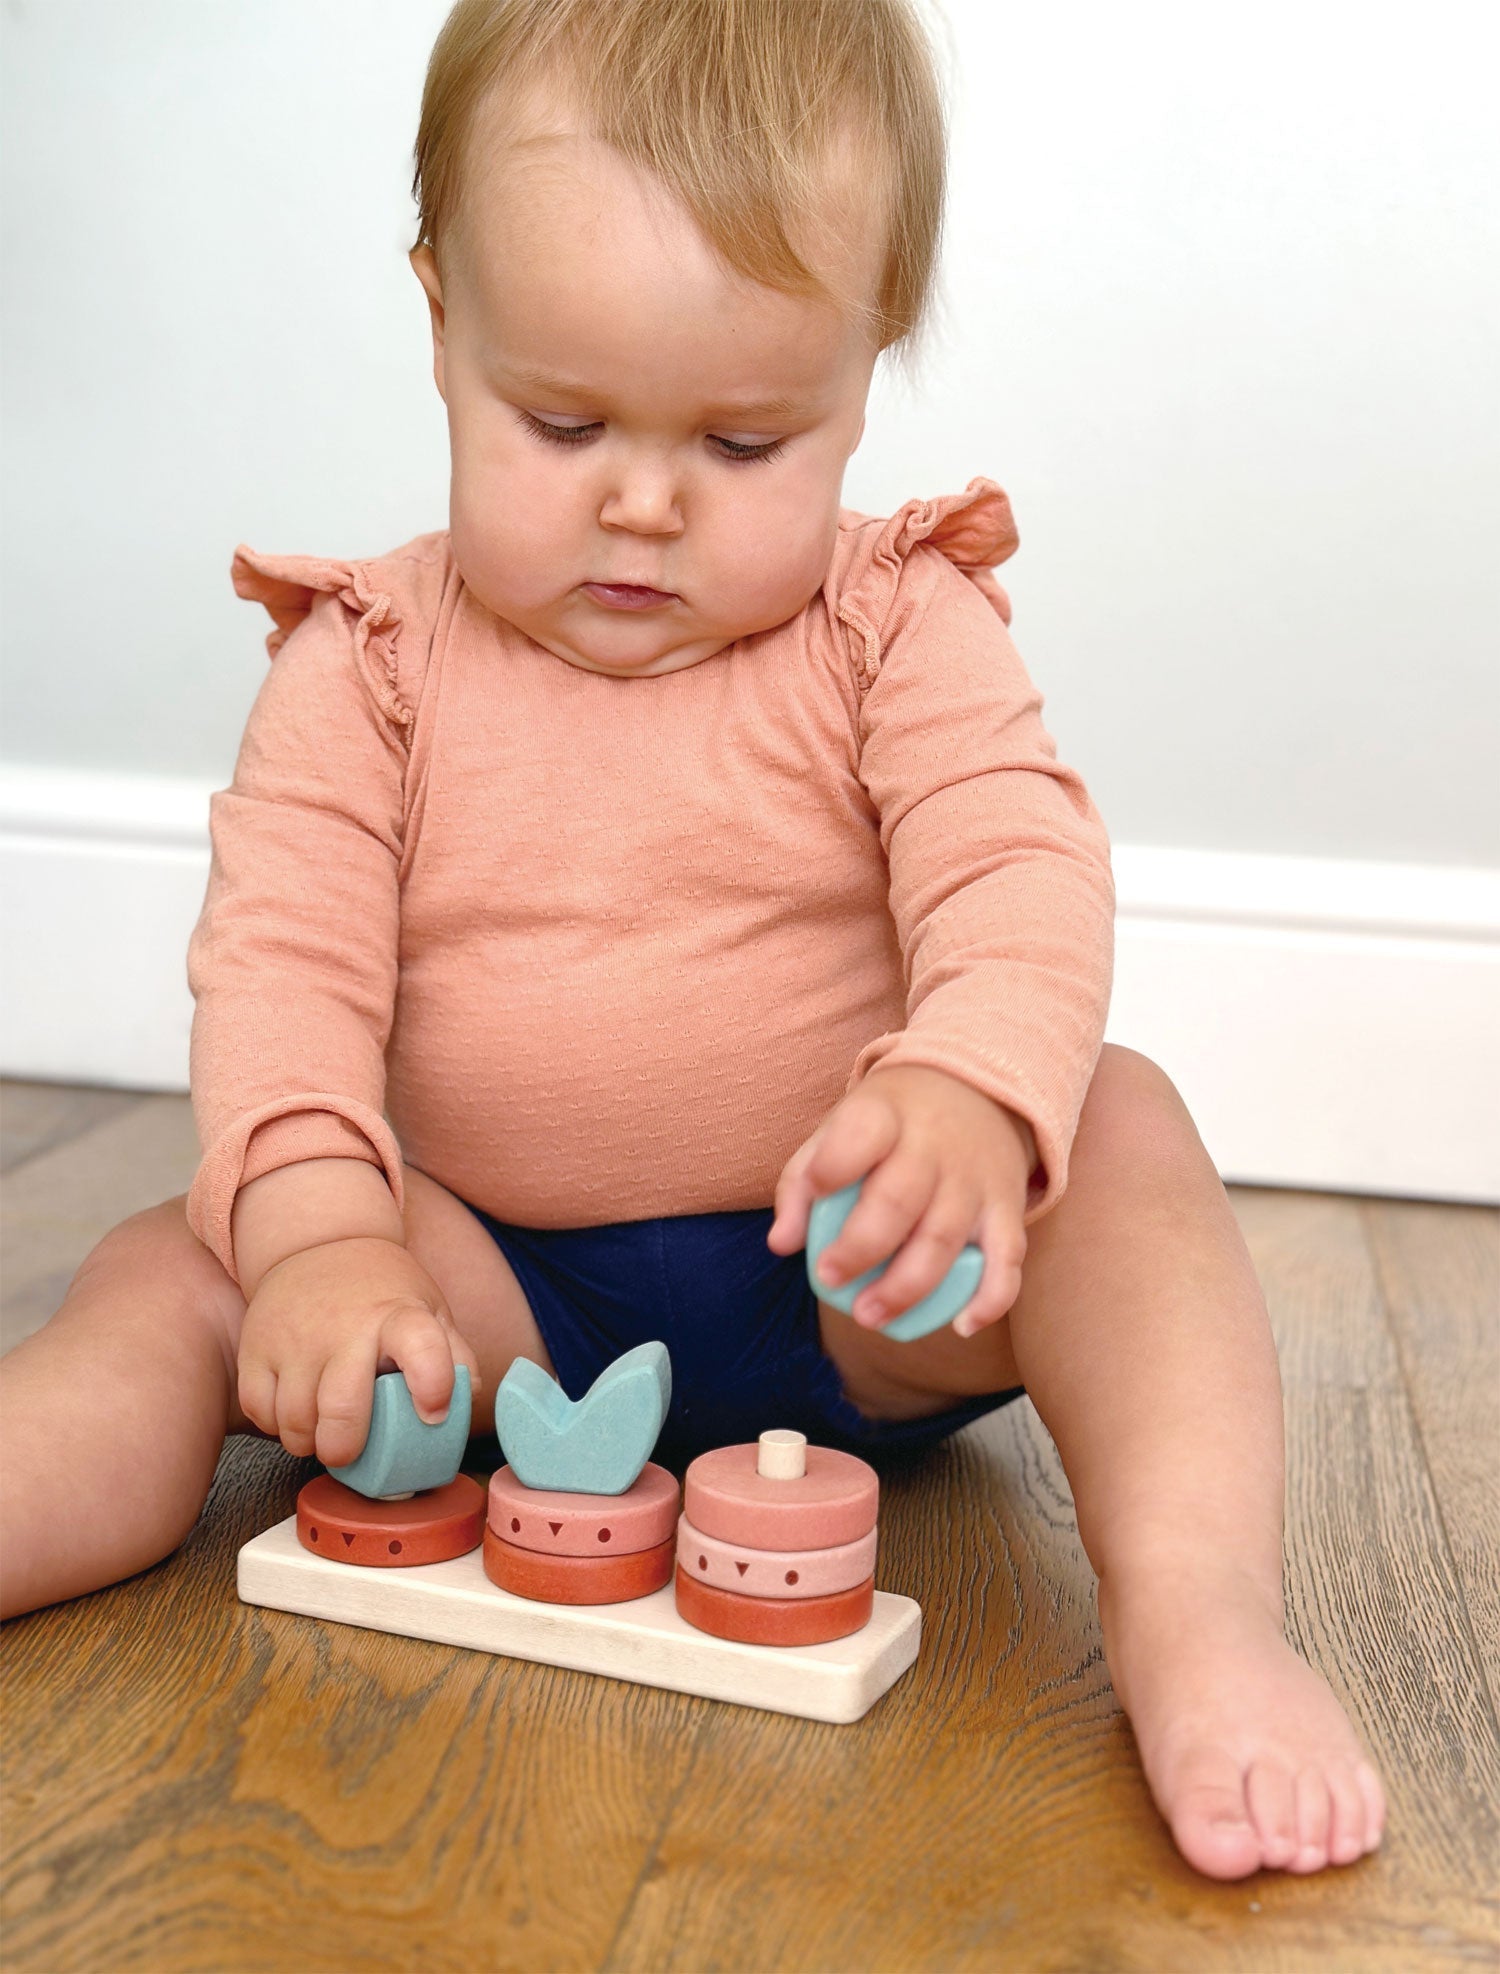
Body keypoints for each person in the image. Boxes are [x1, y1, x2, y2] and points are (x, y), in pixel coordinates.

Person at [0, 0, 1384, 1879]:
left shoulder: (893, 622)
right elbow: (286, 977)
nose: (641, 501)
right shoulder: (372, 671)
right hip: (482, 1291)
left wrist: (971, 1093)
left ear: (863, 364)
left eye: (746, 438)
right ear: (439, 326)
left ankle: (1204, 1608)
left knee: (1118, 1126)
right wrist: (324, 1235)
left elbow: (1013, 866)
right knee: (177, 1272)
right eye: (559, 421)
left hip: (854, 1279)